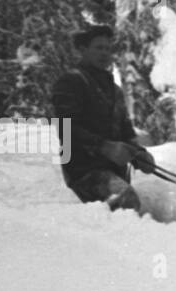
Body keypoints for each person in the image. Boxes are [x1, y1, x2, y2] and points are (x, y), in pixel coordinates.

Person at [51, 24, 156, 211]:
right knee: (126, 201)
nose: (105, 53)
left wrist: (139, 154)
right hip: (84, 172)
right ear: (83, 50)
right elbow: (65, 127)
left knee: (128, 205)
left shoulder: (114, 90)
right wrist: (104, 147)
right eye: (98, 48)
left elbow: (125, 131)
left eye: (108, 48)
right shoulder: (71, 81)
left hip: (115, 173)